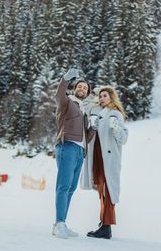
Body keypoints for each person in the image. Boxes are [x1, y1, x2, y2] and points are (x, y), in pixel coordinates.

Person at [52, 68, 98, 239]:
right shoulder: (67, 102)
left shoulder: (83, 110)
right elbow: (58, 95)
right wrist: (65, 79)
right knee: (63, 186)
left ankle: (60, 223)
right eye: (79, 86)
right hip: (67, 146)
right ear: (74, 88)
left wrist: (93, 127)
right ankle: (59, 223)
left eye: (85, 88)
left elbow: (87, 136)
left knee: (70, 188)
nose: (82, 89)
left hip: (80, 151)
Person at [81, 86, 128, 239]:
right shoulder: (95, 111)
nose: (101, 98)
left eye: (105, 96)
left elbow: (124, 138)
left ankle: (107, 226)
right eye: (100, 96)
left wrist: (115, 128)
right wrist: (93, 92)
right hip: (97, 156)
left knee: (108, 191)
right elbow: (85, 104)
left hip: (109, 158)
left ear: (111, 98)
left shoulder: (116, 114)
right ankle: (103, 223)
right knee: (101, 191)